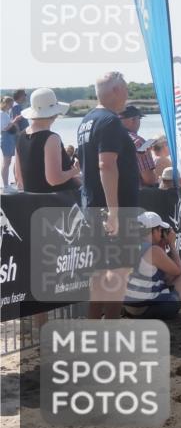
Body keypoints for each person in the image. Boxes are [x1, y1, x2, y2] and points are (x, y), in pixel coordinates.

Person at [77, 71, 141, 319]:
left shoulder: (87, 120)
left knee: (101, 272)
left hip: (93, 206)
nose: (128, 93)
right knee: (119, 271)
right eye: (126, 87)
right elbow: (106, 165)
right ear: (116, 90)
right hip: (113, 209)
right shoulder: (110, 121)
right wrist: (114, 212)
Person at [13, 88, 80, 194]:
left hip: (32, 199)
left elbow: (19, 178)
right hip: (56, 200)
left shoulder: (21, 136)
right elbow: (54, 179)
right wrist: (75, 171)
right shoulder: (51, 138)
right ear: (55, 114)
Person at [120, 106, 158, 187]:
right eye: (139, 118)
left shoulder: (109, 139)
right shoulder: (138, 142)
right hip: (135, 191)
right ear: (133, 120)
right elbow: (149, 179)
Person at [0, 96, 18, 188]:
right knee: (6, 162)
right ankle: (6, 186)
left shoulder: (6, 113)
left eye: (12, 103)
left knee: (8, 162)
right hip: (6, 138)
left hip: (9, 138)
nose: (12, 105)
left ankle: (6, 185)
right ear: (5, 103)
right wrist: (14, 121)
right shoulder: (2, 114)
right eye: (10, 103)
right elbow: (4, 128)